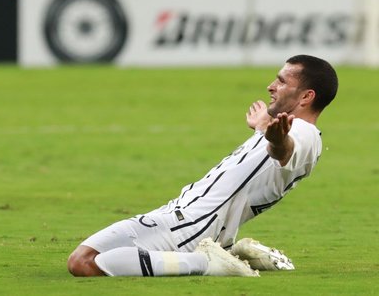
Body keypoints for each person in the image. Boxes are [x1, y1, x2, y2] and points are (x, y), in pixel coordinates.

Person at [68, 55, 338, 277]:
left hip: (192, 227)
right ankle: (227, 251)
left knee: (83, 264)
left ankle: (208, 261)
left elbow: (285, 151)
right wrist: (262, 130)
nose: (271, 86)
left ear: (306, 97)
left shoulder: (305, 135)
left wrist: (277, 141)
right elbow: (268, 158)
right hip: (180, 216)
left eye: (281, 81)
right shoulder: (283, 128)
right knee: (84, 256)